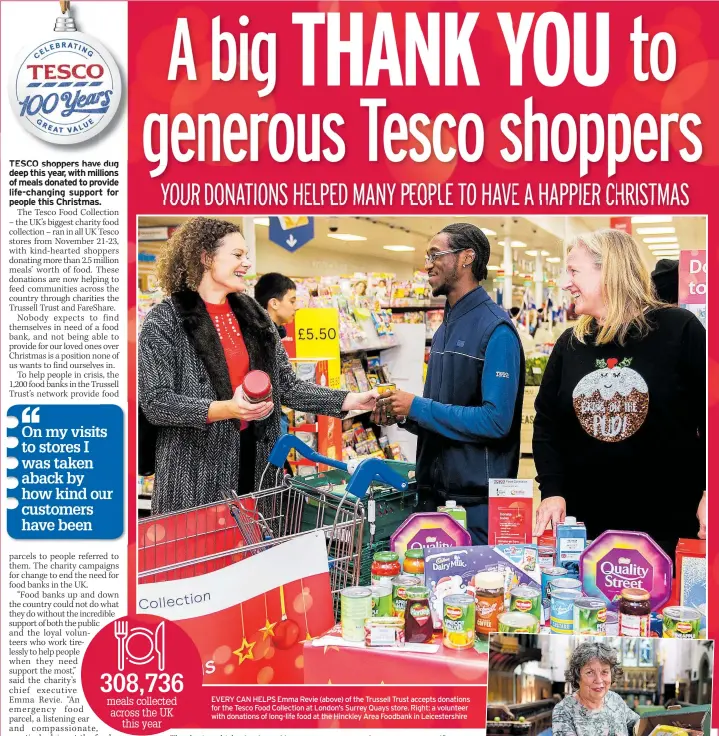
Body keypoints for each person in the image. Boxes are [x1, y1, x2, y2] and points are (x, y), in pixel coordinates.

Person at [138, 217, 377, 514]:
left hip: (258, 463)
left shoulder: (254, 315)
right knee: (205, 554)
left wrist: (350, 399)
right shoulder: (165, 320)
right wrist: (227, 408)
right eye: (238, 255)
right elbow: (156, 402)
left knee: (253, 549)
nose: (247, 263)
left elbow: (286, 385)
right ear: (206, 258)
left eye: (247, 255)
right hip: (195, 471)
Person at [533, 230, 706, 558]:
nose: (564, 282)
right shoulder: (572, 343)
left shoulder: (679, 330)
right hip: (585, 531)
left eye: (573, 271)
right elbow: (547, 424)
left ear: (609, 270)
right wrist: (552, 490)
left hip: (665, 529)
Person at [372, 223, 525, 544]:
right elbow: (443, 411)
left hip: (474, 506)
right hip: (434, 494)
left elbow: (496, 422)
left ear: (466, 257)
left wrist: (418, 406)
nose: (427, 264)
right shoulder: (444, 329)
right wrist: (405, 414)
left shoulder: (496, 330)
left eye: (435, 254)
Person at [552, 641, 639, 736]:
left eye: (604, 672)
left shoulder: (614, 699)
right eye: (590, 672)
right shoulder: (563, 711)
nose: (599, 680)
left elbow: (638, 724)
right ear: (577, 677)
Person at [254, 272, 298, 338]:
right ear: (274, 303)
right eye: (292, 301)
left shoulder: (274, 335)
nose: (296, 307)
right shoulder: (258, 338)